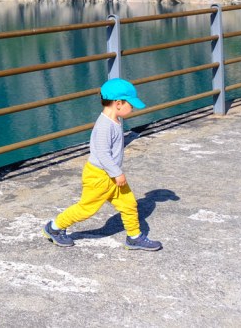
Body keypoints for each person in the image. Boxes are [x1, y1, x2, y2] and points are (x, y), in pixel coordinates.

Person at [42, 77, 162, 251]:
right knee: (86, 209)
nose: (133, 108)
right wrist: (117, 173)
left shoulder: (114, 121)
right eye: (131, 104)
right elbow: (102, 154)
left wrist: (115, 173)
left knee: (129, 204)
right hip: (99, 176)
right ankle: (54, 227)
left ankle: (134, 237)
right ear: (118, 103)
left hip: (111, 174)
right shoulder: (105, 126)